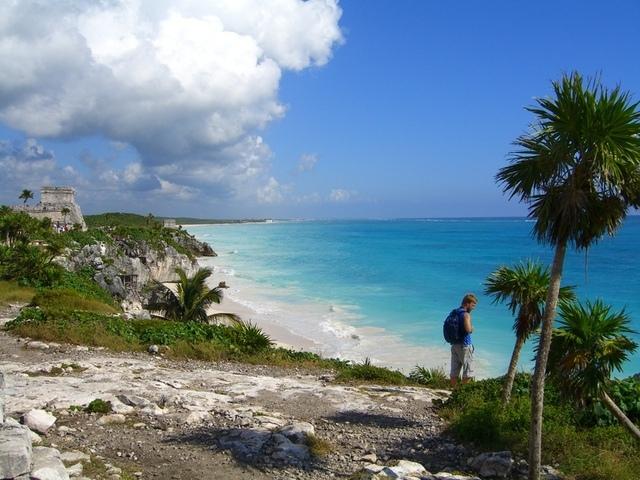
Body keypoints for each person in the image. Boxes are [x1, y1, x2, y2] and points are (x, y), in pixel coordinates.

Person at [450, 293, 477, 387]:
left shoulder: (454, 312)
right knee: (468, 371)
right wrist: (472, 328)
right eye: (473, 305)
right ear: (467, 303)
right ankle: (463, 394)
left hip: (454, 344)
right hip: (465, 345)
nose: (473, 308)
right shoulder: (465, 315)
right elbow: (468, 329)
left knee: (454, 371)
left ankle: (454, 392)